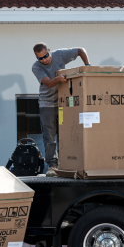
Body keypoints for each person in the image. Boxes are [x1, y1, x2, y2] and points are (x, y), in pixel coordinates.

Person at [31, 43, 90, 171]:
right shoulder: (36, 67)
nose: (44, 60)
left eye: (46, 56)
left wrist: (87, 66)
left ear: (49, 51)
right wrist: (58, 79)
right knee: (49, 135)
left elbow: (81, 50)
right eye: (40, 58)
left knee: (66, 133)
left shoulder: (61, 54)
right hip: (47, 104)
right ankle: (52, 166)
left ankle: (66, 163)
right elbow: (48, 83)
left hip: (64, 103)